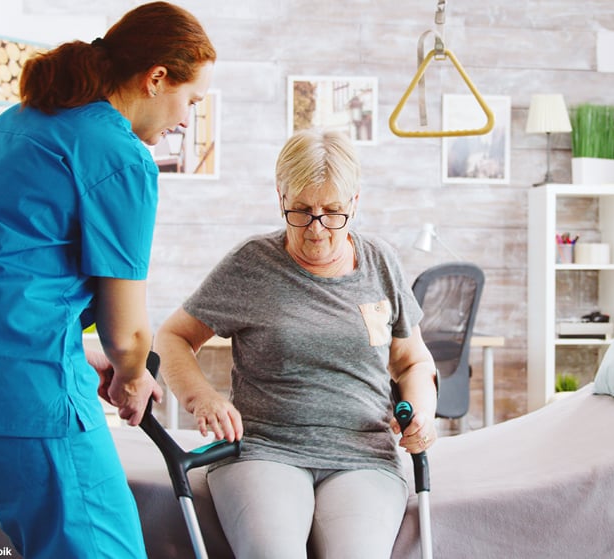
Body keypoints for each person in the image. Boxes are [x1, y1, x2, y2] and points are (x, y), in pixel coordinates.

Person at [0, 3, 216, 558]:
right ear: (156, 79)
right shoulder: (119, 155)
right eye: (190, 101)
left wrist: (82, 357)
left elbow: (2, 275)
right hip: (26, 400)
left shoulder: (10, 127)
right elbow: (128, 334)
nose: (185, 120)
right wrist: (131, 375)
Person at [154, 128, 439, 559]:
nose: (317, 228)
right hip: (263, 449)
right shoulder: (252, 263)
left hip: (363, 454)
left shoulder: (381, 263)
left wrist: (422, 413)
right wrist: (202, 399)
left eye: (333, 212)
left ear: (355, 202)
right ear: (280, 196)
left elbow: (412, 360)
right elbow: (173, 336)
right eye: (302, 211)